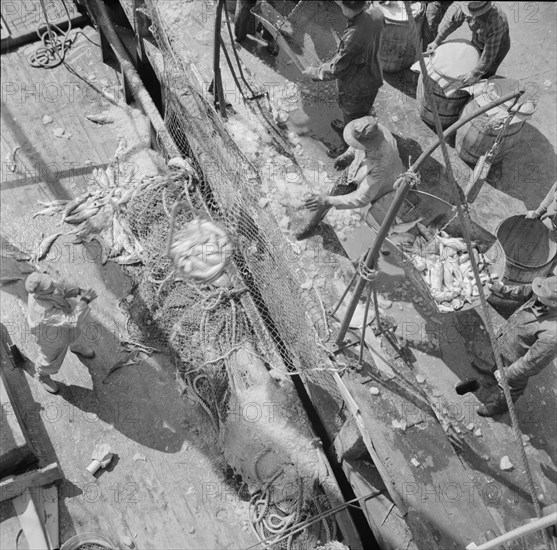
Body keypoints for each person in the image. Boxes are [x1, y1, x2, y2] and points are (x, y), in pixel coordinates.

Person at [303, 1, 385, 158]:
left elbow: (337, 68)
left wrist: (314, 72)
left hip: (356, 87)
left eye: (341, 4)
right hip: (374, 74)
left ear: (347, 8)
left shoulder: (353, 36)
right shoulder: (377, 13)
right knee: (362, 112)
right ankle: (353, 127)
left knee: (352, 114)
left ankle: (348, 147)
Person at [474, 275, 557, 417]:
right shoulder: (544, 291)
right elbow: (524, 291)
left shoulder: (552, 334)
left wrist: (507, 374)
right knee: (497, 357)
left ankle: (499, 405)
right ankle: (493, 369)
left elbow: (530, 363)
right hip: (507, 340)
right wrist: (502, 288)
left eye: (541, 295)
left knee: (512, 384)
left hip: (517, 361)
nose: (536, 294)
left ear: (554, 304)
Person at [303, 116, 404, 215]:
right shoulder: (374, 131)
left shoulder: (382, 165)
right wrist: (347, 156)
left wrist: (327, 201)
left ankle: (321, 210)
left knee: (378, 204)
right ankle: (322, 207)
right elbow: (357, 145)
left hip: (384, 184)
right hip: (364, 168)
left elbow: (362, 198)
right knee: (338, 189)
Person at [25, 273, 98, 394]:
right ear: (39, 293)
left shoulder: (47, 286)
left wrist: (78, 291)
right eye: (47, 286)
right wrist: (85, 300)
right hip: (49, 335)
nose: (52, 285)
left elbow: (61, 289)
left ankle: (75, 346)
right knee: (50, 358)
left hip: (63, 320)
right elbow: (71, 320)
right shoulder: (42, 310)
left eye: (48, 282)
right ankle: (42, 376)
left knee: (73, 333)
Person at [426, 1, 510, 85]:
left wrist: (475, 74)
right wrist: (436, 41)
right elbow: (453, 22)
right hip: (478, 40)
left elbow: (488, 55)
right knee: (471, 64)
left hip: (497, 49)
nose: (472, 17)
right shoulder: (468, 6)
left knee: (485, 76)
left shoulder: (496, 22)